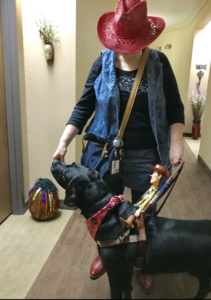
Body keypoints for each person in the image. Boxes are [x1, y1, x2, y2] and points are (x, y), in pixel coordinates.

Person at [53, 0, 185, 294]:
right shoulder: (102, 62)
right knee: (103, 214)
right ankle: (106, 254)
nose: (125, 48)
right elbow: (84, 105)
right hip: (105, 154)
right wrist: (65, 141)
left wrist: (177, 143)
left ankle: (143, 262)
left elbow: (175, 109)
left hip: (146, 156)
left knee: (143, 216)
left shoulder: (159, 64)